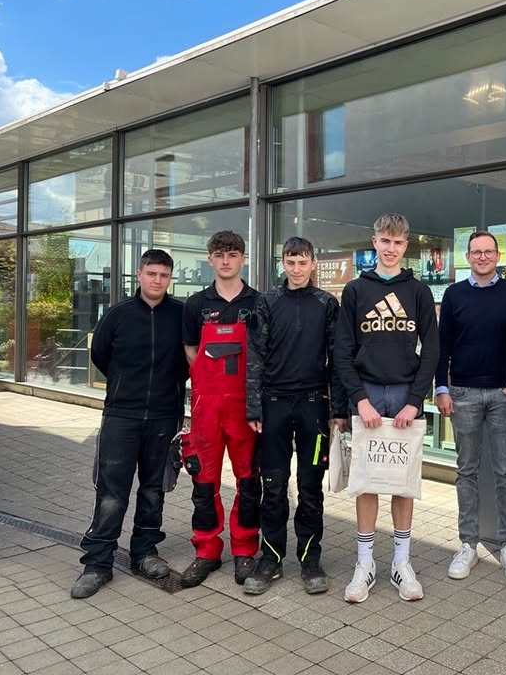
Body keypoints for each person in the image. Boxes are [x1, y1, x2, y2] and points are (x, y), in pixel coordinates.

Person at [335, 213, 439, 603]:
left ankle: (401, 562)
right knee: (366, 480)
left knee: (402, 481)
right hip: (367, 395)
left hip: (404, 395)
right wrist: (359, 399)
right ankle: (365, 563)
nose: (391, 248)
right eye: (385, 240)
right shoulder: (355, 290)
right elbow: (342, 351)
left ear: (405, 245)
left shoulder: (419, 292)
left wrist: (415, 401)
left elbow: (432, 350)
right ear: (374, 241)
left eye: (397, 242)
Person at [71, 249, 188, 599]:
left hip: (164, 416)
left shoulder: (180, 315)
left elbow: (188, 360)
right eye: (151, 273)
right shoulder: (118, 314)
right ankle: (97, 564)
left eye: (164, 275)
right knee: (111, 493)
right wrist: (126, 385)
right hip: (121, 415)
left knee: (154, 489)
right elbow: (100, 354)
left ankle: (144, 553)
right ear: (139, 274)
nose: (157, 280)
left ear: (170, 278)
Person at [244, 236, 347, 595]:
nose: (297, 269)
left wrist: (338, 410)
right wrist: (254, 407)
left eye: (303, 262)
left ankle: (310, 559)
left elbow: (338, 358)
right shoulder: (267, 302)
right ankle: (270, 557)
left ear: (313, 264)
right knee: (273, 486)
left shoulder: (326, 303)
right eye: (291, 262)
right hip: (273, 404)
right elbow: (255, 356)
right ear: (283, 264)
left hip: (313, 406)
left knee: (310, 486)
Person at [436, 230, 506, 581]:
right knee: (466, 471)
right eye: (476, 252)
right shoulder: (454, 294)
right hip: (463, 393)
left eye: (489, 252)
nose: (483, 257)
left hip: (504, 395)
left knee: (505, 472)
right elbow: (442, 345)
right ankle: (467, 544)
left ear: (498, 255)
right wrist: (441, 388)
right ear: (468, 257)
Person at [178, 231, 261, 589]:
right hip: (207, 407)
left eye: (232, 254)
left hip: (245, 406)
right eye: (219, 254)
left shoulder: (258, 302)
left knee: (249, 481)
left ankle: (245, 549)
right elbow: (190, 350)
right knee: (203, 480)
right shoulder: (195, 304)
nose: (226, 261)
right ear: (210, 259)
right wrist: (207, 384)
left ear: (243, 258)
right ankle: (207, 550)